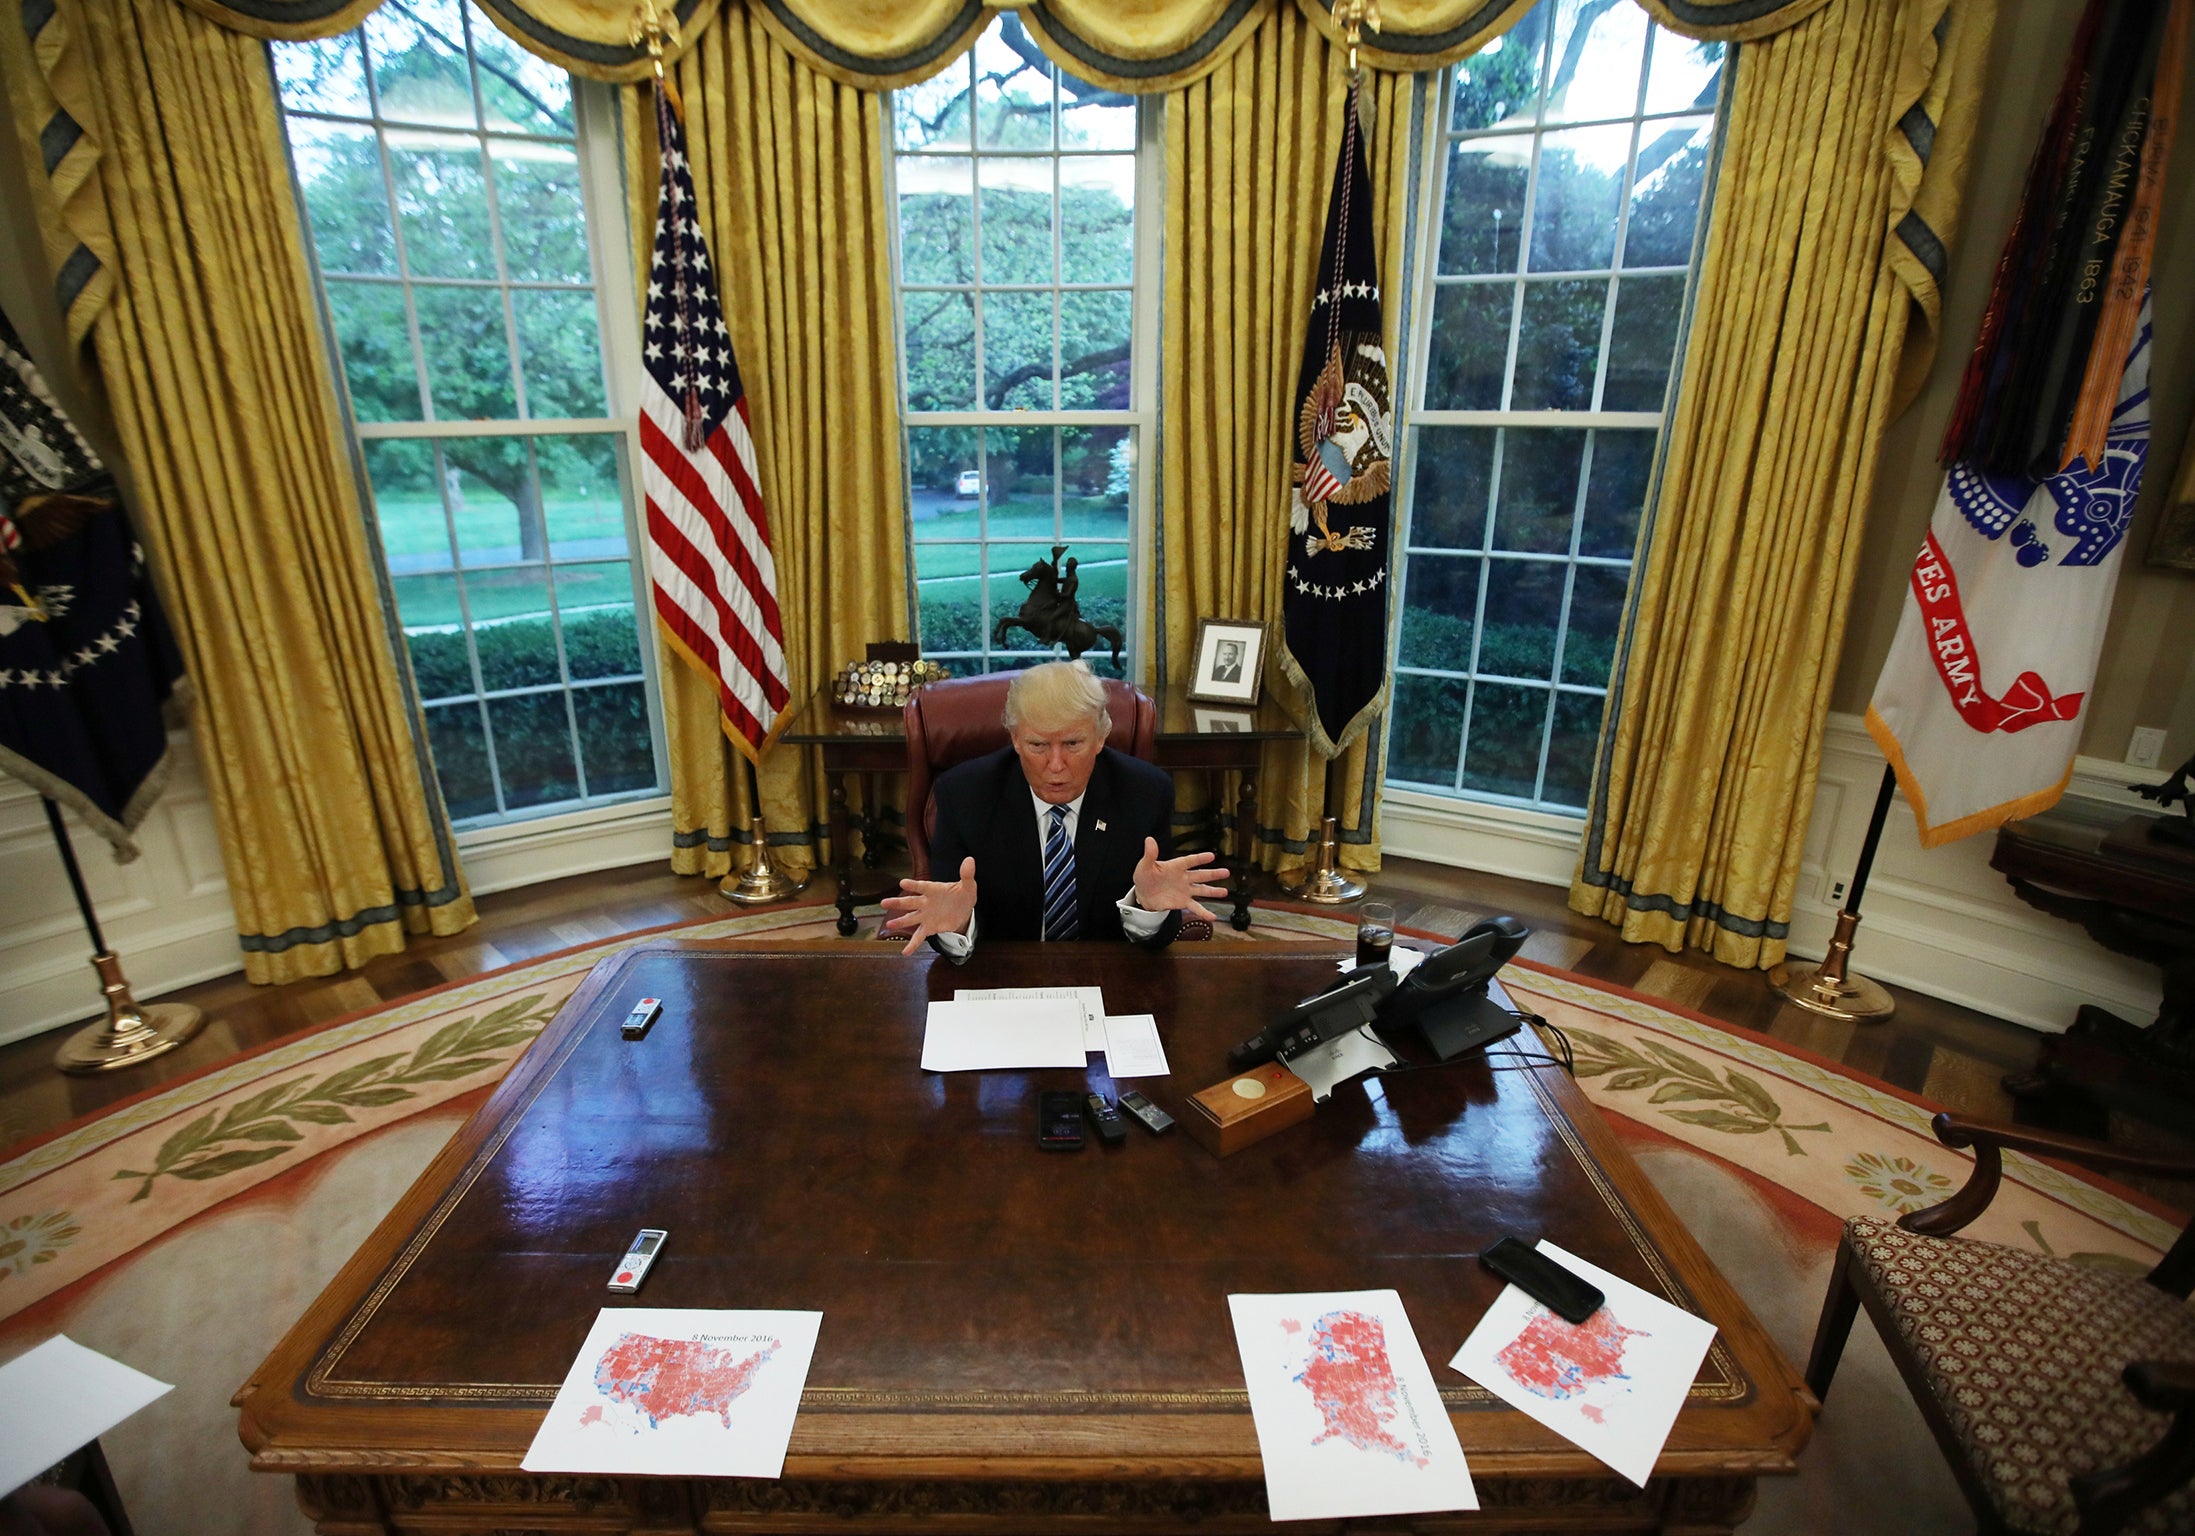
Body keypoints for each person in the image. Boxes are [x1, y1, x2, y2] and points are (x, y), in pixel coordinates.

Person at [882, 661, 1230, 957]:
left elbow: (1157, 936)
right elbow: (948, 925)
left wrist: (1148, 907)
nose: (1056, 765)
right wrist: (958, 923)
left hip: (1106, 978)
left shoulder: (1145, 792)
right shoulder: (963, 794)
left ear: (1100, 737)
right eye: (1037, 745)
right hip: (1001, 982)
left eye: (1073, 743)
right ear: (1015, 739)